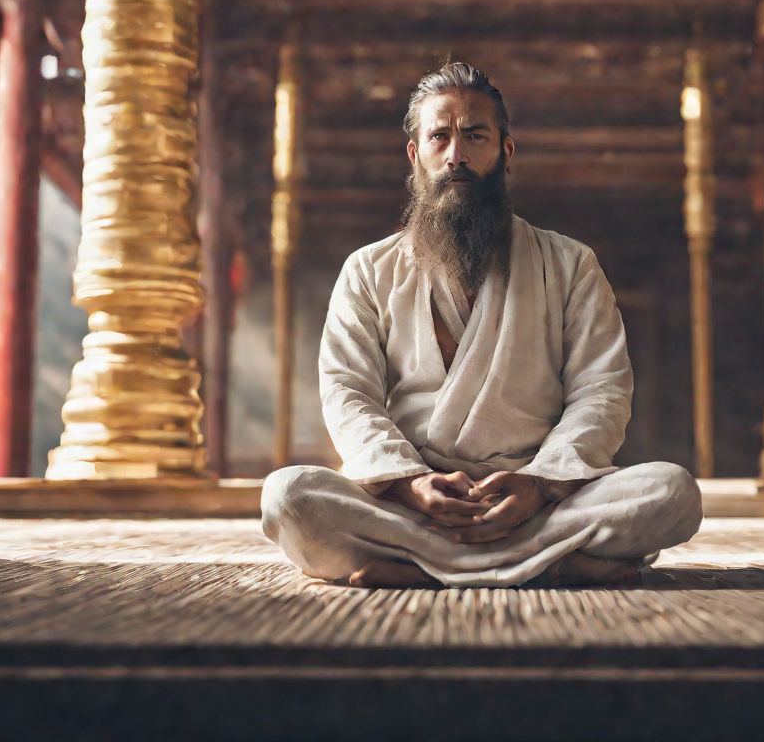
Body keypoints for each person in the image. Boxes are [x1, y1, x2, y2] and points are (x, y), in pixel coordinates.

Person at [262, 62, 702, 587]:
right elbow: (347, 393)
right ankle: (553, 566)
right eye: (439, 137)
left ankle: (416, 568)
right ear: (415, 154)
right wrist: (410, 484)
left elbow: (602, 391)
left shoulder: (569, 263)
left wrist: (537, 483)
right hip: (413, 504)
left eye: (475, 136)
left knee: (672, 492)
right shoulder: (368, 270)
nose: (456, 156)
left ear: (505, 151)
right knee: (289, 496)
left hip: (536, 499)